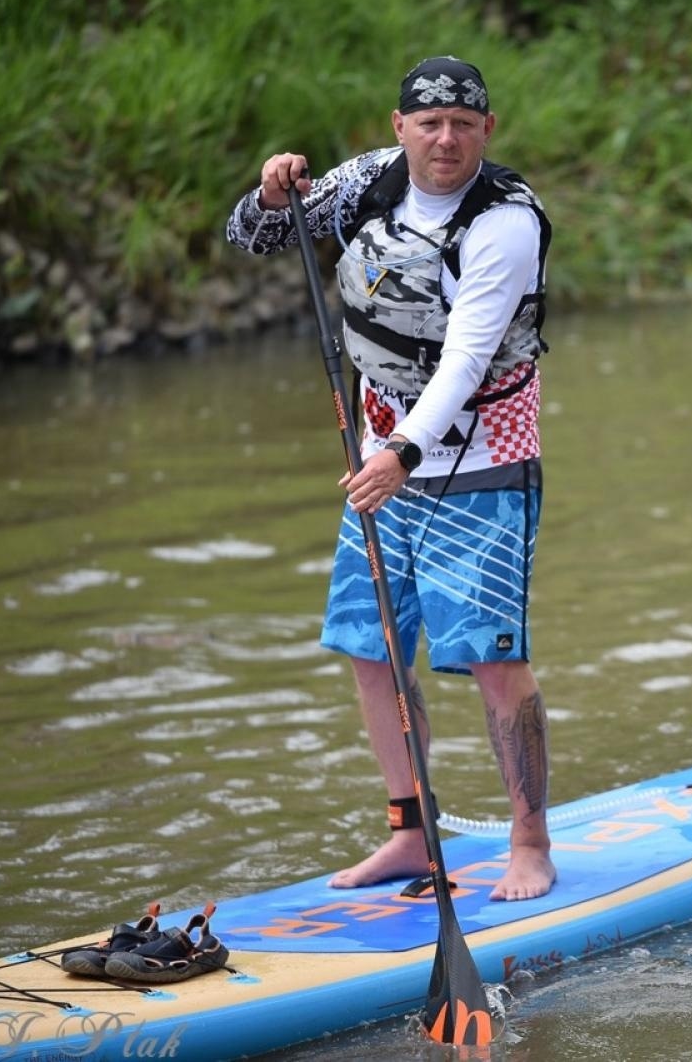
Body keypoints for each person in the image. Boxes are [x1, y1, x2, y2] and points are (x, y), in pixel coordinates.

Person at [226, 55, 556, 901]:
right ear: (400, 125)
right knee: (371, 651)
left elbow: (467, 357)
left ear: (488, 130)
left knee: (491, 660)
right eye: (428, 123)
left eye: (463, 124)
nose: (445, 139)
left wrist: (400, 453)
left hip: (478, 467)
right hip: (383, 459)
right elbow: (253, 238)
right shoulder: (367, 179)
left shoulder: (506, 222)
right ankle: (411, 833)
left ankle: (529, 840)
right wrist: (272, 193)